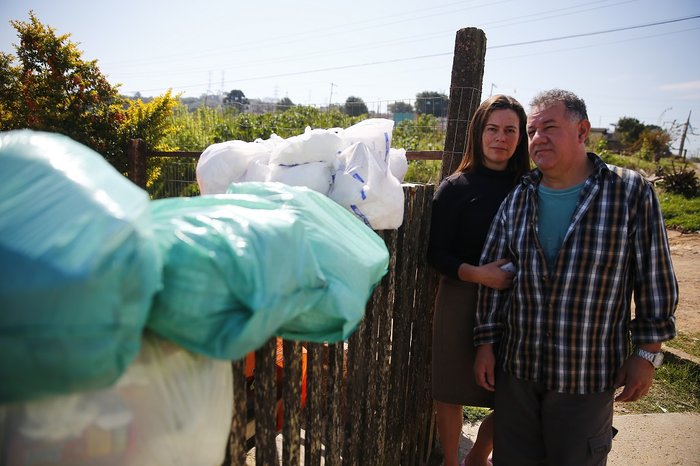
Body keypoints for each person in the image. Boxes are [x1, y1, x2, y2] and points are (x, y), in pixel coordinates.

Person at [473, 89, 678, 466]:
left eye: (549, 127)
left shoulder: (629, 192)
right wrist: (486, 343)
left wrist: (648, 353)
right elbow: (496, 275)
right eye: (532, 132)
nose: (538, 139)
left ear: (582, 131)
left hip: (587, 371)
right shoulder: (519, 196)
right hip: (520, 367)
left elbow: (655, 278)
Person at [427, 94, 531, 466]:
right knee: (450, 387)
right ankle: (452, 462)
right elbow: (435, 253)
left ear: (521, 137)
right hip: (460, 297)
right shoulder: (456, 189)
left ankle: (478, 457)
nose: (500, 138)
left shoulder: (532, 189)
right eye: (492, 129)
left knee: (515, 390)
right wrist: (479, 275)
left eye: (509, 130)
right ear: (478, 133)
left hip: (516, 303)